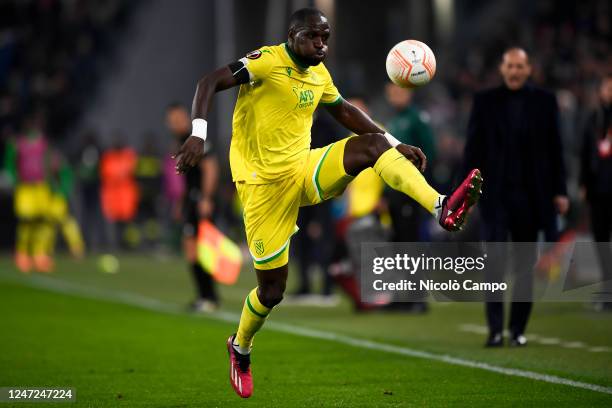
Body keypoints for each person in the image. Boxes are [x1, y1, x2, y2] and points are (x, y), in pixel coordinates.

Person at [175, 8, 482, 398]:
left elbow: (346, 112)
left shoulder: (318, 74)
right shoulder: (268, 61)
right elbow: (209, 81)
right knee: (272, 290)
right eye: (313, 37)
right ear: (292, 36)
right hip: (262, 188)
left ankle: (441, 206)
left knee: (373, 147)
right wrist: (198, 135)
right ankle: (240, 346)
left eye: (326, 38)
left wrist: (394, 143)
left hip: (303, 167)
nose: (321, 45)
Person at [463, 47, 569, 348]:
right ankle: (495, 330)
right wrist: (465, 194)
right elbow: (472, 150)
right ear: (502, 68)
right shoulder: (484, 102)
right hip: (495, 196)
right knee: (493, 264)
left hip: (531, 197)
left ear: (529, 69)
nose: (514, 71)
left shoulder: (545, 102)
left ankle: (518, 329)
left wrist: (560, 190)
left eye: (520, 66)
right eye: (510, 66)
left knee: (525, 266)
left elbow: (556, 149)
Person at [166, 103, 220, 312]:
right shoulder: (180, 140)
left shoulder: (197, 137)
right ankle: (204, 296)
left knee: (201, 248)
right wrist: (181, 202)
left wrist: (206, 198)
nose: (175, 123)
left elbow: (210, 167)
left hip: (200, 199)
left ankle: (209, 297)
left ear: (187, 118)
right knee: (191, 248)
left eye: (178, 119)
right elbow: (187, 178)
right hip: (191, 198)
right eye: (171, 121)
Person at [579, 73, 612, 311]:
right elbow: (584, 152)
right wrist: (583, 183)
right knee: (601, 242)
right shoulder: (594, 118)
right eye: (607, 86)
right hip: (598, 190)